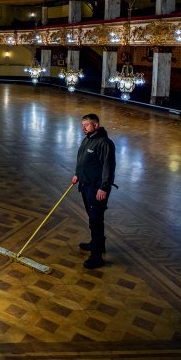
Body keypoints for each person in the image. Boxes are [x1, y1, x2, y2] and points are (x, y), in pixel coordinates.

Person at [71, 113, 116, 269]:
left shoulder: (105, 143)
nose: (84, 128)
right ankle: (98, 244)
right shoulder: (87, 139)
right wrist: (77, 174)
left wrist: (104, 187)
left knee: (95, 220)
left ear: (96, 125)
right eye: (82, 125)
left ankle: (97, 257)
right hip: (85, 185)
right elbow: (82, 160)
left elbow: (108, 168)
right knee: (92, 217)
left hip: (97, 188)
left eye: (87, 125)